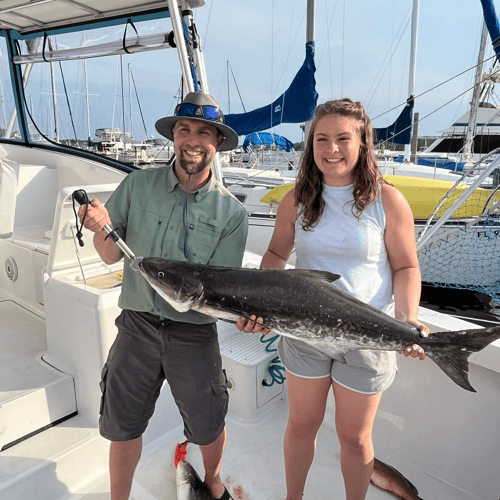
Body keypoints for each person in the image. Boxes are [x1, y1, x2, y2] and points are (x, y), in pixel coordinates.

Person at [236, 98, 429, 500]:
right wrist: (257, 303)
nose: (331, 148)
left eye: (343, 138)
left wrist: (407, 317)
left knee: (355, 440)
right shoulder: (295, 200)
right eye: (321, 139)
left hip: (367, 337)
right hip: (305, 333)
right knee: (301, 426)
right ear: (311, 146)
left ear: (363, 143)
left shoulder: (387, 201)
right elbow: (274, 255)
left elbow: (406, 268)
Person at [78, 92, 246, 500]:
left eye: (203, 133)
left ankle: (214, 480)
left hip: (194, 332)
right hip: (136, 327)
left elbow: (219, 295)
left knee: (208, 424)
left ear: (217, 143)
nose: (192, 139)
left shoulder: (232, 215)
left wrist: (248, 316)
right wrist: (96, 224)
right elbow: (108, 254)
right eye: (184, 129)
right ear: (173, 135)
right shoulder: (138, 185)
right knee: (122, 425)